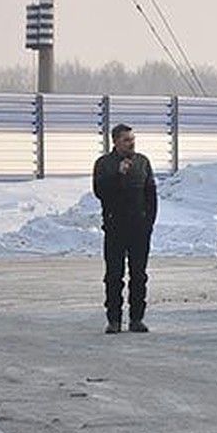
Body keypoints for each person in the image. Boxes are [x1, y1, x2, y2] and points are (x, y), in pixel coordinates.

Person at [93, 124, 157, 334]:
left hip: (139, 228)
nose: (132, 143)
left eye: (133, 139)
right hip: (115, 228)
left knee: (139, 275)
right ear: (115, 142)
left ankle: (137, 318)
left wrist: (148, 223)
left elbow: (151, 195)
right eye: (127, 140)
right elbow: (100, 192)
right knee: (114, 275)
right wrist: (117, 175)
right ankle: (114, 320)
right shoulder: (104, 164)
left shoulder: (142, 162)